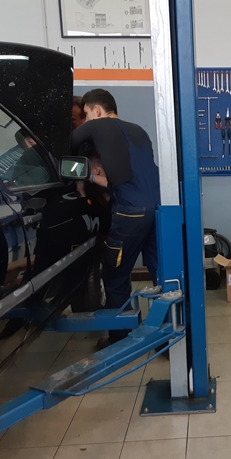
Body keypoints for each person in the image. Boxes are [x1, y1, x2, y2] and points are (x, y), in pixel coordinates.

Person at [71, 89, 160, 349]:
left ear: (97, 110)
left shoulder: (96, 126)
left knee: (115, 275)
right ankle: (164, 336)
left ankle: (120, 339)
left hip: (130, 212)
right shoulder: (138, 131)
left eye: (86, 114)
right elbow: (124, 177)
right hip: (158, 209)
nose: (85, 121)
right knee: (160, 272)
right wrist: (91, 177)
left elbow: (64, 144)